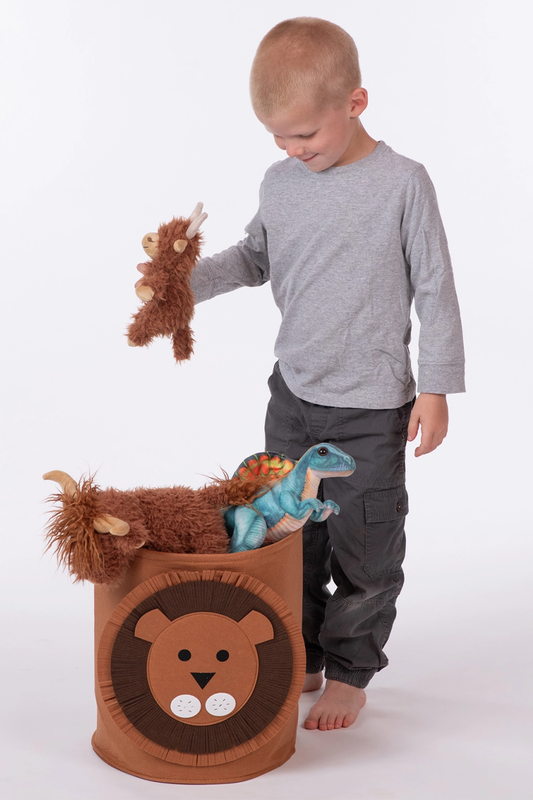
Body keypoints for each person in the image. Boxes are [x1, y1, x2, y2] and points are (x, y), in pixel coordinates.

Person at [189, 17, 465, 732]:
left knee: (364, 548)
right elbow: (253, 258)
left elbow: (434, 287)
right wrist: (182, 284)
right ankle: (303, 653)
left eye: (304, 134)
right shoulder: (280, 183)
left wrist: (434, 387)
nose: (291, 149)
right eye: (277, 137)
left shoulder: (402, 183)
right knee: (290, 538)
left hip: (369, 412)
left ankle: (349, 671)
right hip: (292, 401)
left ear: (355, 102)